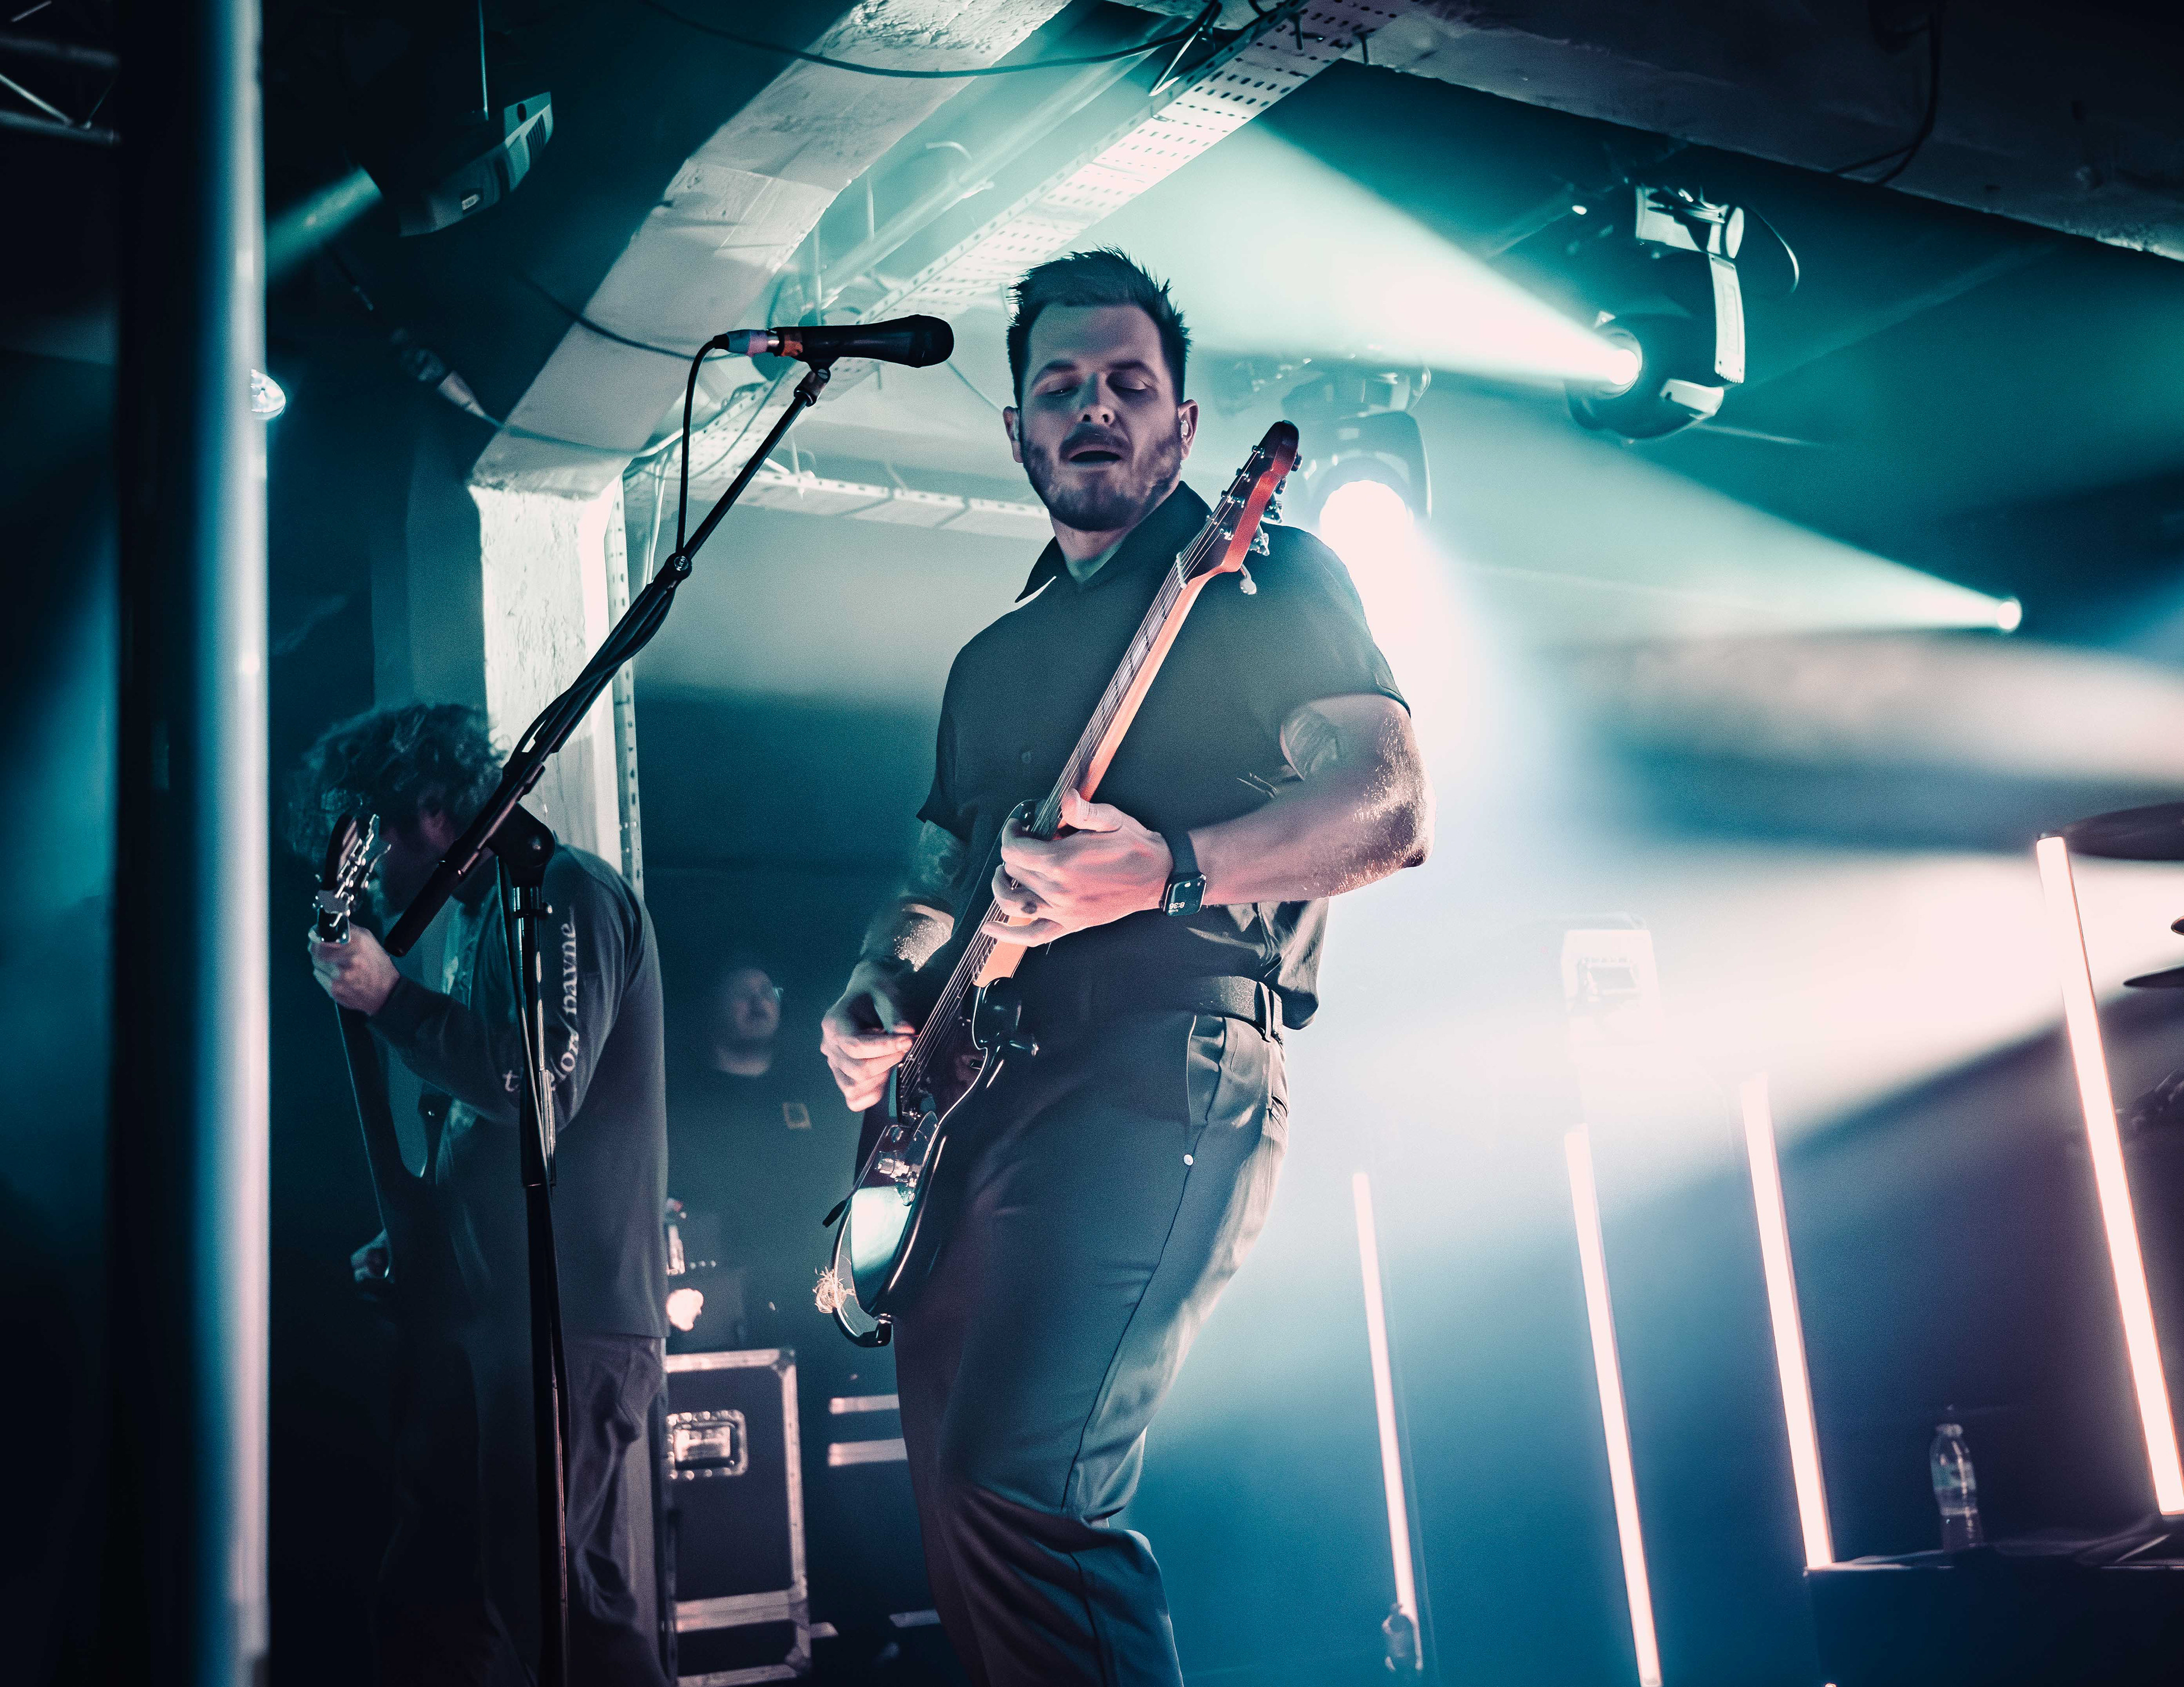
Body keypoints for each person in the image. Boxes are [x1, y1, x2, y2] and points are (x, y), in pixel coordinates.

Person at [818, 250, 1433, 1687]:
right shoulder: (990, 661)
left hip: (1166, 1069)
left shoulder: (1266, 577)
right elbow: (931, 883)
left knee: (1017, 1488)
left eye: (1127, 383)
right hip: (978, 1103)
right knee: (957, 1518)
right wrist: (879, 986)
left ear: (1182, 421)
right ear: (1016, 429)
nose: (1093, 406)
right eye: (1061, 385)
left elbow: (1392, 804)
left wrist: (1165, 867)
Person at [292, 702, 670, 1687]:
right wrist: (426, 1230)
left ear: (428, 807)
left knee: (557, 1607)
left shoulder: (561, 890)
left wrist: (394, 999)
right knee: (438, 1597)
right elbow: (488, 1123)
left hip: (570, 1319)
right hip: (489, 1311)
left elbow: (538, 1088)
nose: (370, 869)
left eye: (370, 836)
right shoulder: (479, 916)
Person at [664, 954, 858, 1352]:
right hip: (721, 1298)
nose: (758, 1002)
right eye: (742, 993)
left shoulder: (813, 1087)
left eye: (767, 991)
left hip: (817, 1288)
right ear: (715, 1006)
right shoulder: (686, 1103)